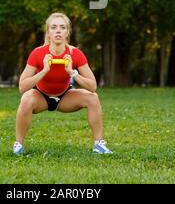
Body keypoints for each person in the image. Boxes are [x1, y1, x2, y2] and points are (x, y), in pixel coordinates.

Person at [13, 12, 113, 155]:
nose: (58, 30)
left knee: (93, 98)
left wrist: (72, 72)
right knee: (26, 98)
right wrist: (43, 71)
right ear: (48, 32)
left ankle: (98, 145)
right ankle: (18, 145)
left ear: (67, 32)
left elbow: (93, 86)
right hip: (41, 97)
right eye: (53, 27)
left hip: (65, 97)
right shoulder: (37, 53)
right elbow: (22, 87)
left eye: (62, 27)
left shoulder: (76, 53)